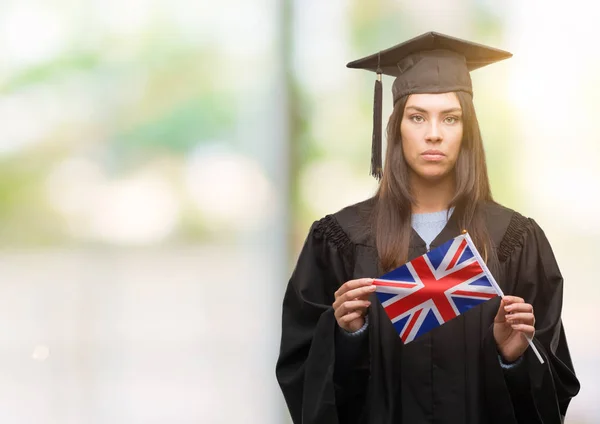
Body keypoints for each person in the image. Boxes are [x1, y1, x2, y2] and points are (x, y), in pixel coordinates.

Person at [275, 31, 580, 424]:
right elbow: (301, 377)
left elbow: (554, 391)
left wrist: (514, 358)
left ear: (466, 130)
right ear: (396, 127)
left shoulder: (514, 241)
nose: (433, 133)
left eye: (450, 118)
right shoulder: (341, 240)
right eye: (417, 116)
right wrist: (347, 337)